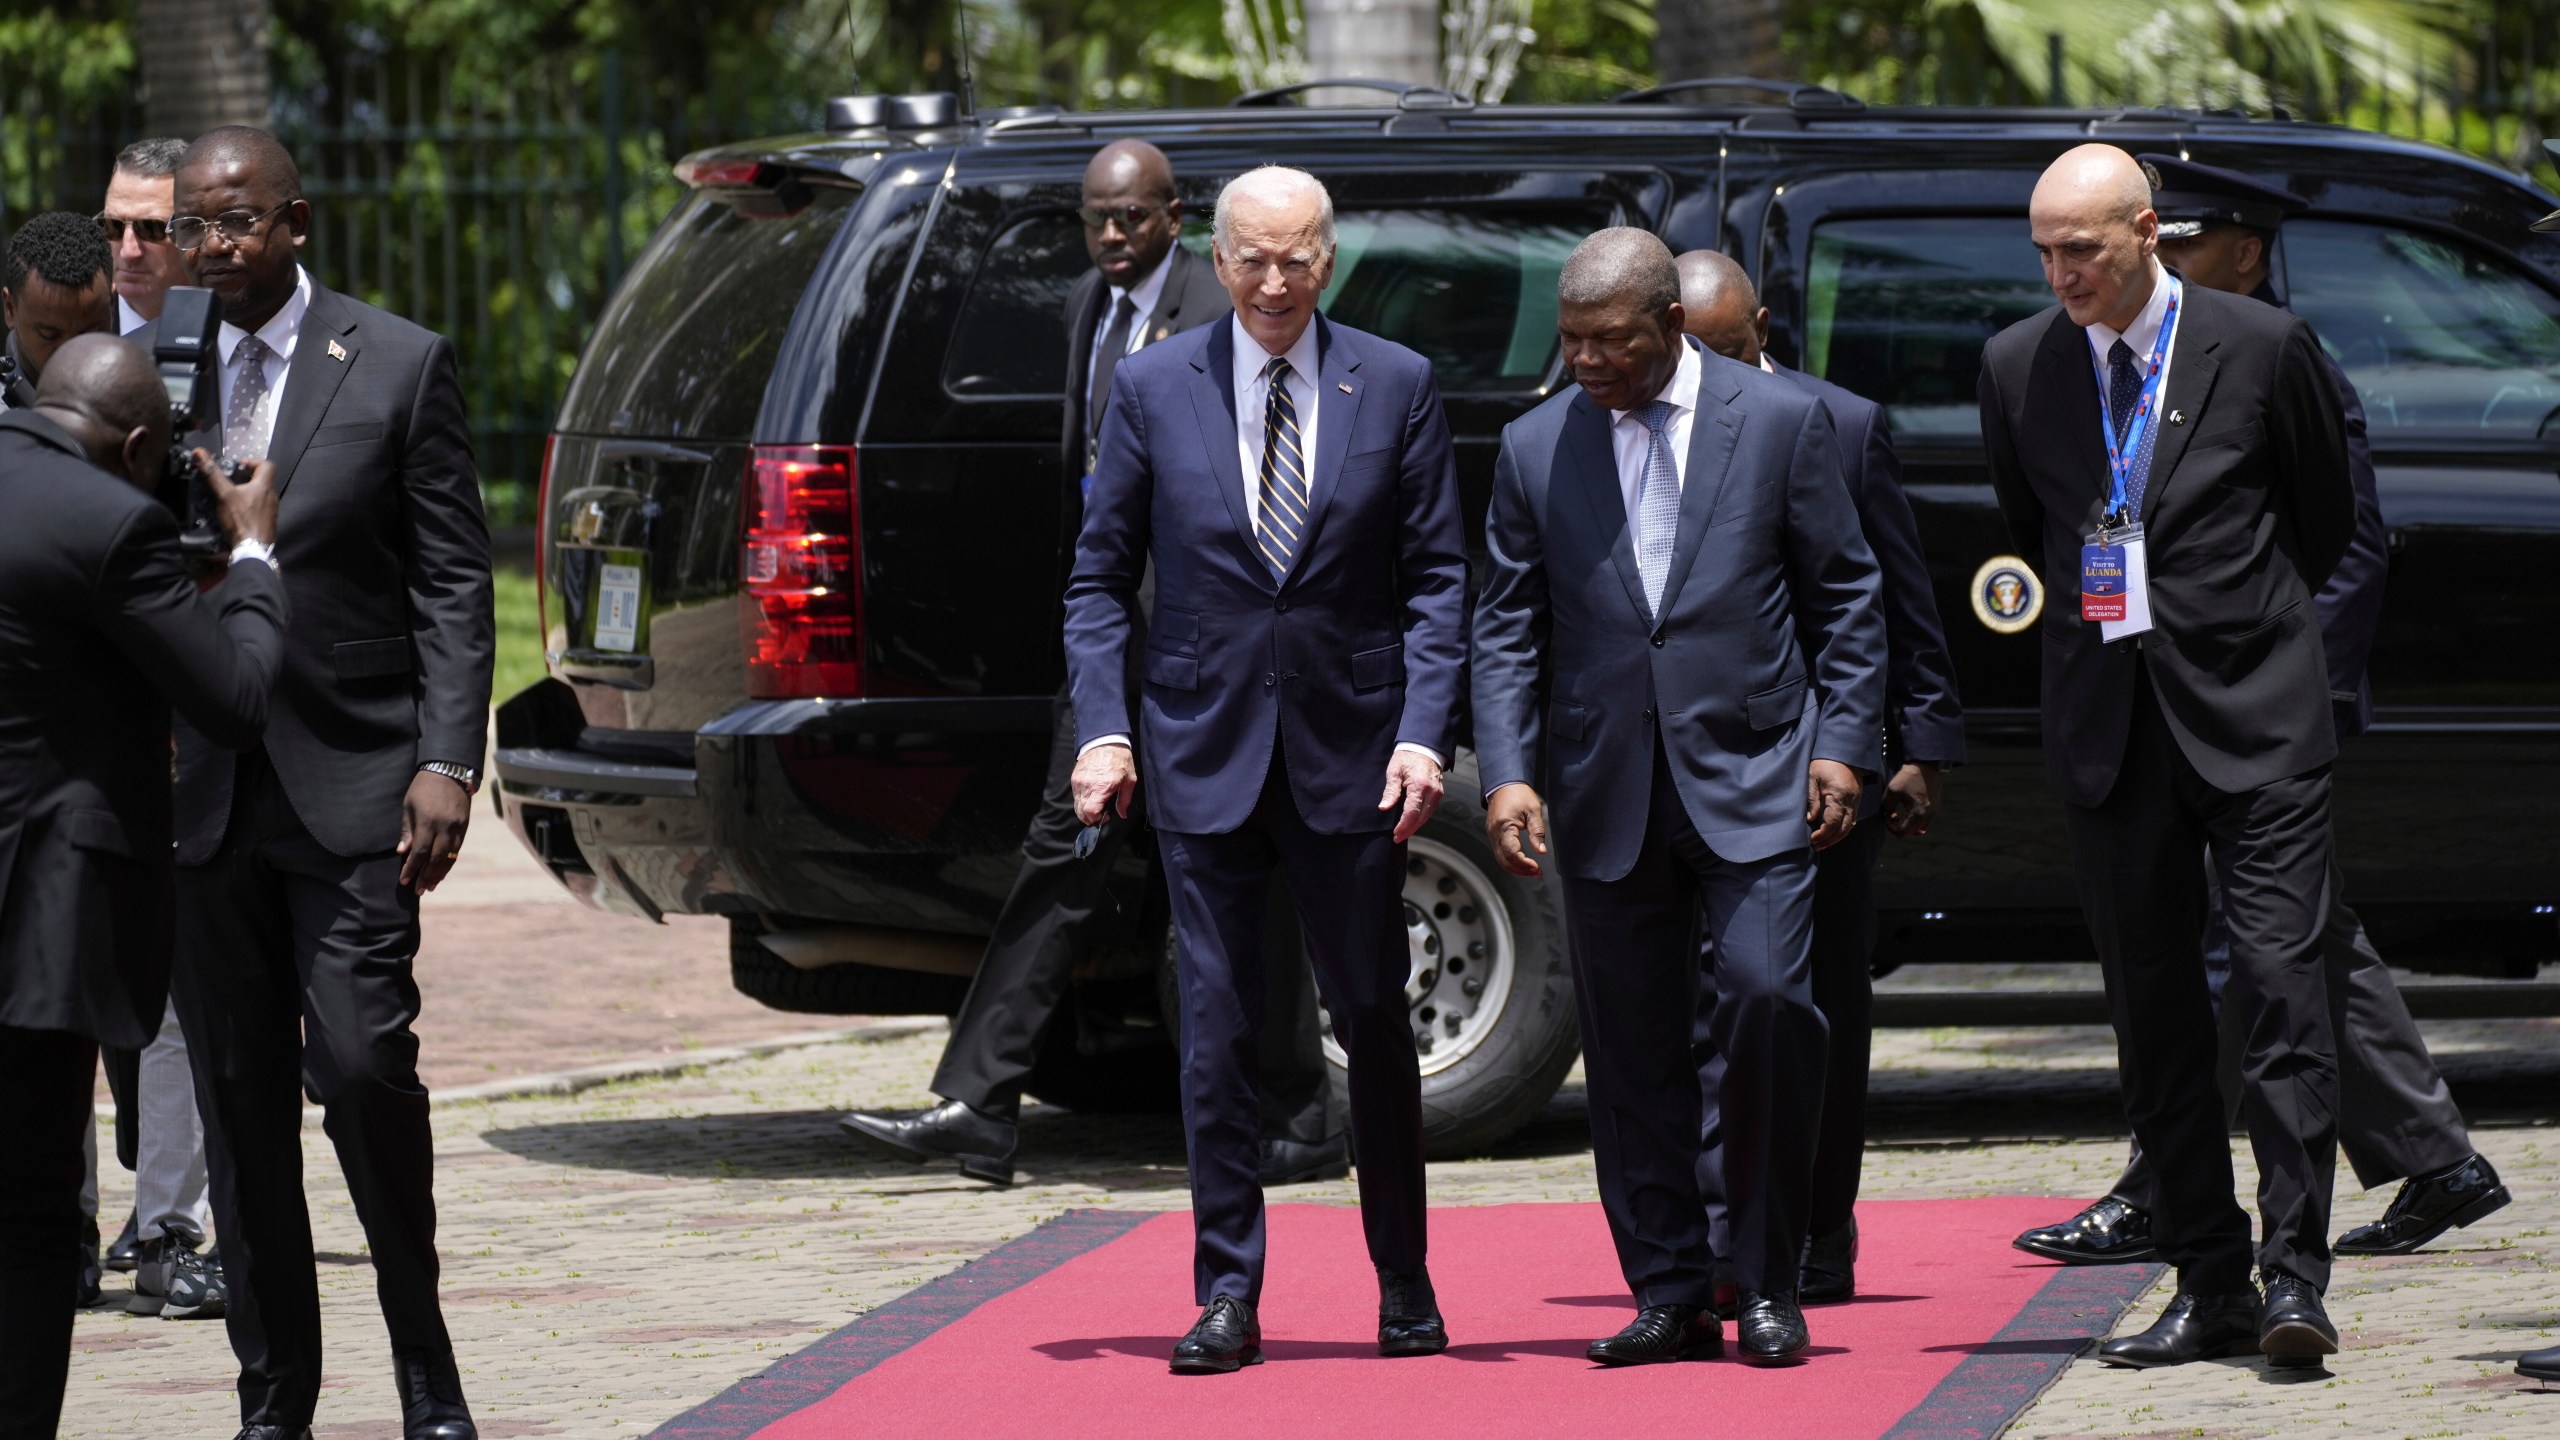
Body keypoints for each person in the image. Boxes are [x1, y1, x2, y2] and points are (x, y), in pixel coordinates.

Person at [2013, 154, 2508, 1272]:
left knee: (2279, 955)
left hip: (2263, 710)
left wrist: (2290, 698)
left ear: (2246, 248)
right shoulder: (2066, 366)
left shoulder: (2270, 353)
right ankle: (2420, 1156)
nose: (2175, 256)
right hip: (2159, 710)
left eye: (2193, 238)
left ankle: (2231, 1203)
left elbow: (2338, 543)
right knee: (2283, 950)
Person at [841, 139, 1346, 1189]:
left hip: (1217, 651)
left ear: (1176, 218)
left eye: (1133, 218)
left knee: (1260, 873)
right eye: (1096, 218)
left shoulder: (1230, 309)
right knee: (1062, 848)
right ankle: (978, 1101)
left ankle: (1299, 1117)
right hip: (1119, 648)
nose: (1113, 236)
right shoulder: (1086, 307)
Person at [1065, 164, 1467, 1373]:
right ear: (1218, 259)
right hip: (1201, 756)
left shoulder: (1393, 384)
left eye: (1300, 258)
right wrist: (1103, 726)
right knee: (1219, 1030)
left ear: (1328, 259)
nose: (1277, 281)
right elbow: (1097, 580)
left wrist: (1421, 728)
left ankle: (1403, 1279)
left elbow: (1441, 579)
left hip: (1353, 758)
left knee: (1370, 1025)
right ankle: (1227, 1292)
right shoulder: (1150, 387)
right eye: (1255, 259)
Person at [1473, 228, 1886, 1366]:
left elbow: (1846, 595)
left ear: (1668, 325)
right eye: (1572, 342)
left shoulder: (1780, 423)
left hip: (1756, 776)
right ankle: (1665, 1288)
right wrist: (1506, 769)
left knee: (1764, 1008)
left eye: (1611, 341)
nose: (1589, 362)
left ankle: (1765, 1279)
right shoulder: (1531, 446)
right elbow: (1505, 625)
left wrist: (1842, 746)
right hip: (1605, 787)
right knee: (1632, 1048)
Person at [1978, 145, 2356, 1371]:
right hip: (2111, 732)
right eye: (2041, 252)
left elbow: (2323, 517)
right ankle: (2210, 1279)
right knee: (2152, 1022)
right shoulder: (2016, 366)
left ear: (2147, 230)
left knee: (2282, 993)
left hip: (2256, 720)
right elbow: (2027, 523)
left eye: (2081, 250)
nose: (2060, 274)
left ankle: (2295, 1275)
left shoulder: (2257, 346)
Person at [148, 127, 493, 1440]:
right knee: (239, 1111)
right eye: (196, 224)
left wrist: (446, 757)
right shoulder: (157, 365)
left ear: (297, 220)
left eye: (237, 220)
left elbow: (456, 581)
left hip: (353, 784)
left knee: (358, 1072)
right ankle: (274, 1400)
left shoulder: (396, 363)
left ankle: (426, 1375)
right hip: (202, 791)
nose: (212, 245)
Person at [0, 332, 286, 1440]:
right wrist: (251, 560)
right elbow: (232, 698)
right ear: (133, 445)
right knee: (29, 1217)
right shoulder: (113, 524)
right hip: (42, 928)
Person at [1674, 248, 1964, 1307]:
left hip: (1821, 771)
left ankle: (1819, 1232)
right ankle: (1721, 1235)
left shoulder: (1831, 423)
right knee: (1712, 1013)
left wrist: (1918, 746)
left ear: (1763, 334)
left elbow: (1892, 598)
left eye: (1728, 351)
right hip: (1696, 762)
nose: (1708, 376)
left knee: (1818, 1006)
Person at [3, 211, 118, 408]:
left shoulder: (139, 399)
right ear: (10, 309)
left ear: (112, 304)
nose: (70, 357)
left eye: (88, 334)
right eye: (49, 335)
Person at [101, 137, 196, 332]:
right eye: (113, 226)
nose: (129, 252)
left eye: (151, 229)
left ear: (194, 231)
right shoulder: (72, 331)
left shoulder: (234, 335)